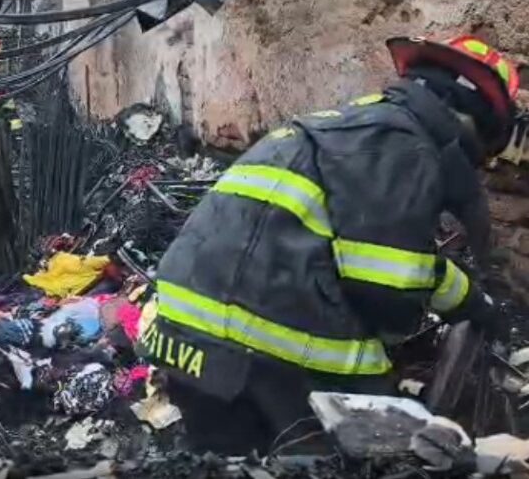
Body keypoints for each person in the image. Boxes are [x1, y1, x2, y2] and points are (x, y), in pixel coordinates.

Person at [137, 35, 518, 455]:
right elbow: (387, 292)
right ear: (474, 124)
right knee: (382, 452)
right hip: (257, 351)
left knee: (224, 461)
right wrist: (470, 299)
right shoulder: (405, 145)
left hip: (182, 329)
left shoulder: (351, 122)